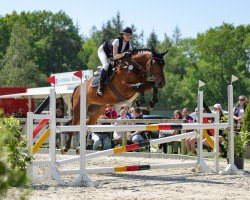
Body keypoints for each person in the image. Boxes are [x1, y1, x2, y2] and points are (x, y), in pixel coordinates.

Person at [96, 27, 133, 96]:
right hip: (103, 51)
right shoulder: (117, 41)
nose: (128, 36)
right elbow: (115, 56)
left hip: (112, 55)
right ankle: (100, 87)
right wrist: (124, 54)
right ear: (122, 35)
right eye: (126, 34)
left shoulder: (129, 45)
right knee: (106, 65)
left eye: (129, 35)